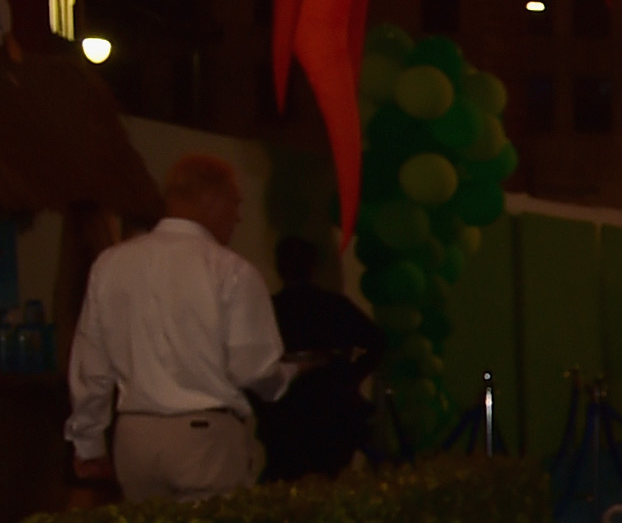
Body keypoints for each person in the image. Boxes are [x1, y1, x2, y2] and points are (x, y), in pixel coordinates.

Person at [64, 153, 291, 502]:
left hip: (133, 438)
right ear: (212, 200)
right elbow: (253, 369)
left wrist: (88, 441)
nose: (239, 216)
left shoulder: (110, 265)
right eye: (235, 203)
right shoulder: (231, 270)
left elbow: (91, 365)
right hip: (204, 436)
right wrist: (284, 378)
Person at [256, 234, 384, 480]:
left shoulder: (268, 310)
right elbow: (377, 342)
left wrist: (264, 400)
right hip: (332, 409)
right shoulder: (334, 306)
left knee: (284, 483)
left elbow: (251, 363)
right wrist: (350, 376)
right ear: (313, 267)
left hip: (285, 413)